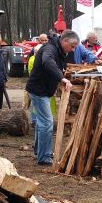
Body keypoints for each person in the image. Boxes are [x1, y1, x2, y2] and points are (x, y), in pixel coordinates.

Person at [26, 30, 77, 165]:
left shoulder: (59, 50)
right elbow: (47, 62)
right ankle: (44, 157)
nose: (73, 49)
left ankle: (40, 151)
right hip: (38, 91)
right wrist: (62, 79)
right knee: (47, 122)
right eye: (72, 46)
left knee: (42, 122)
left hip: (42, 90)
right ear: (64, 41)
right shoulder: (50, 49)